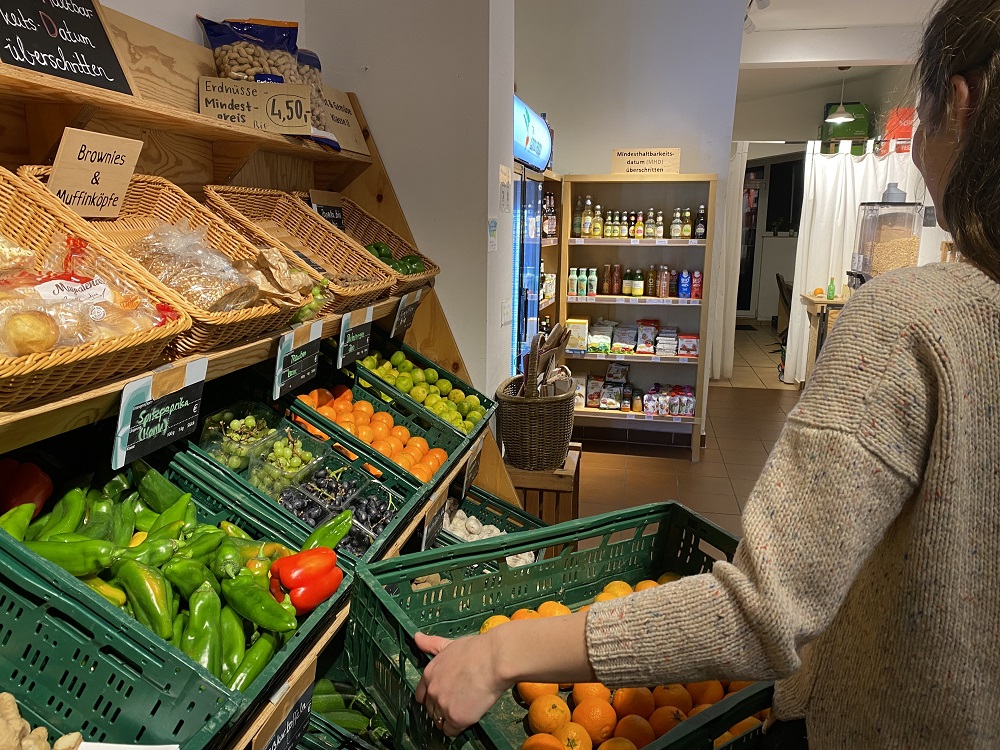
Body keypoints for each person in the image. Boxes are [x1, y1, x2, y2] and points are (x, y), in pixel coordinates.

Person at [414, 0, 1000, 747]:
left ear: (959, 101)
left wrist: (501, 651)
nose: (917, 143)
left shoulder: (912, 320)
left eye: (918, 112)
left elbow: (763, 612)